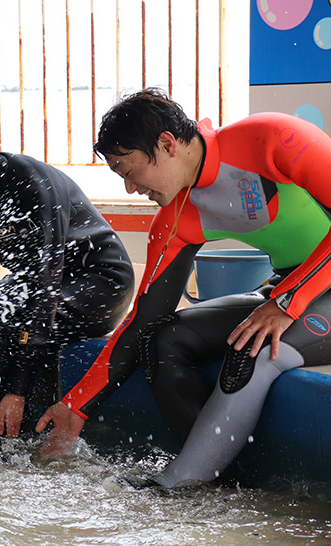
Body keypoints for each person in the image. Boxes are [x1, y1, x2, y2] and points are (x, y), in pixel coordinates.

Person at [36, 88, 331, 486]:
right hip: (291, 286)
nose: (130, 189)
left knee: (255, 348)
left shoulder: (272, 138)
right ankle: (222, 488)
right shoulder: (176, 217)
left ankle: (179, 483)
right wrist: (76, 406)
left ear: (167, 144)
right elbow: (143, 320)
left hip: (300, 293)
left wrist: (285, 303)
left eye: (128, 171)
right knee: (163, 340)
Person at [0, 134, 135, 434]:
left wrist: (17, 391)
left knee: (1, 322)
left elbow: (44, 289)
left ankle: (12, 429)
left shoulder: (29, 183)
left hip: (100, 285)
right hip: (32, 286)